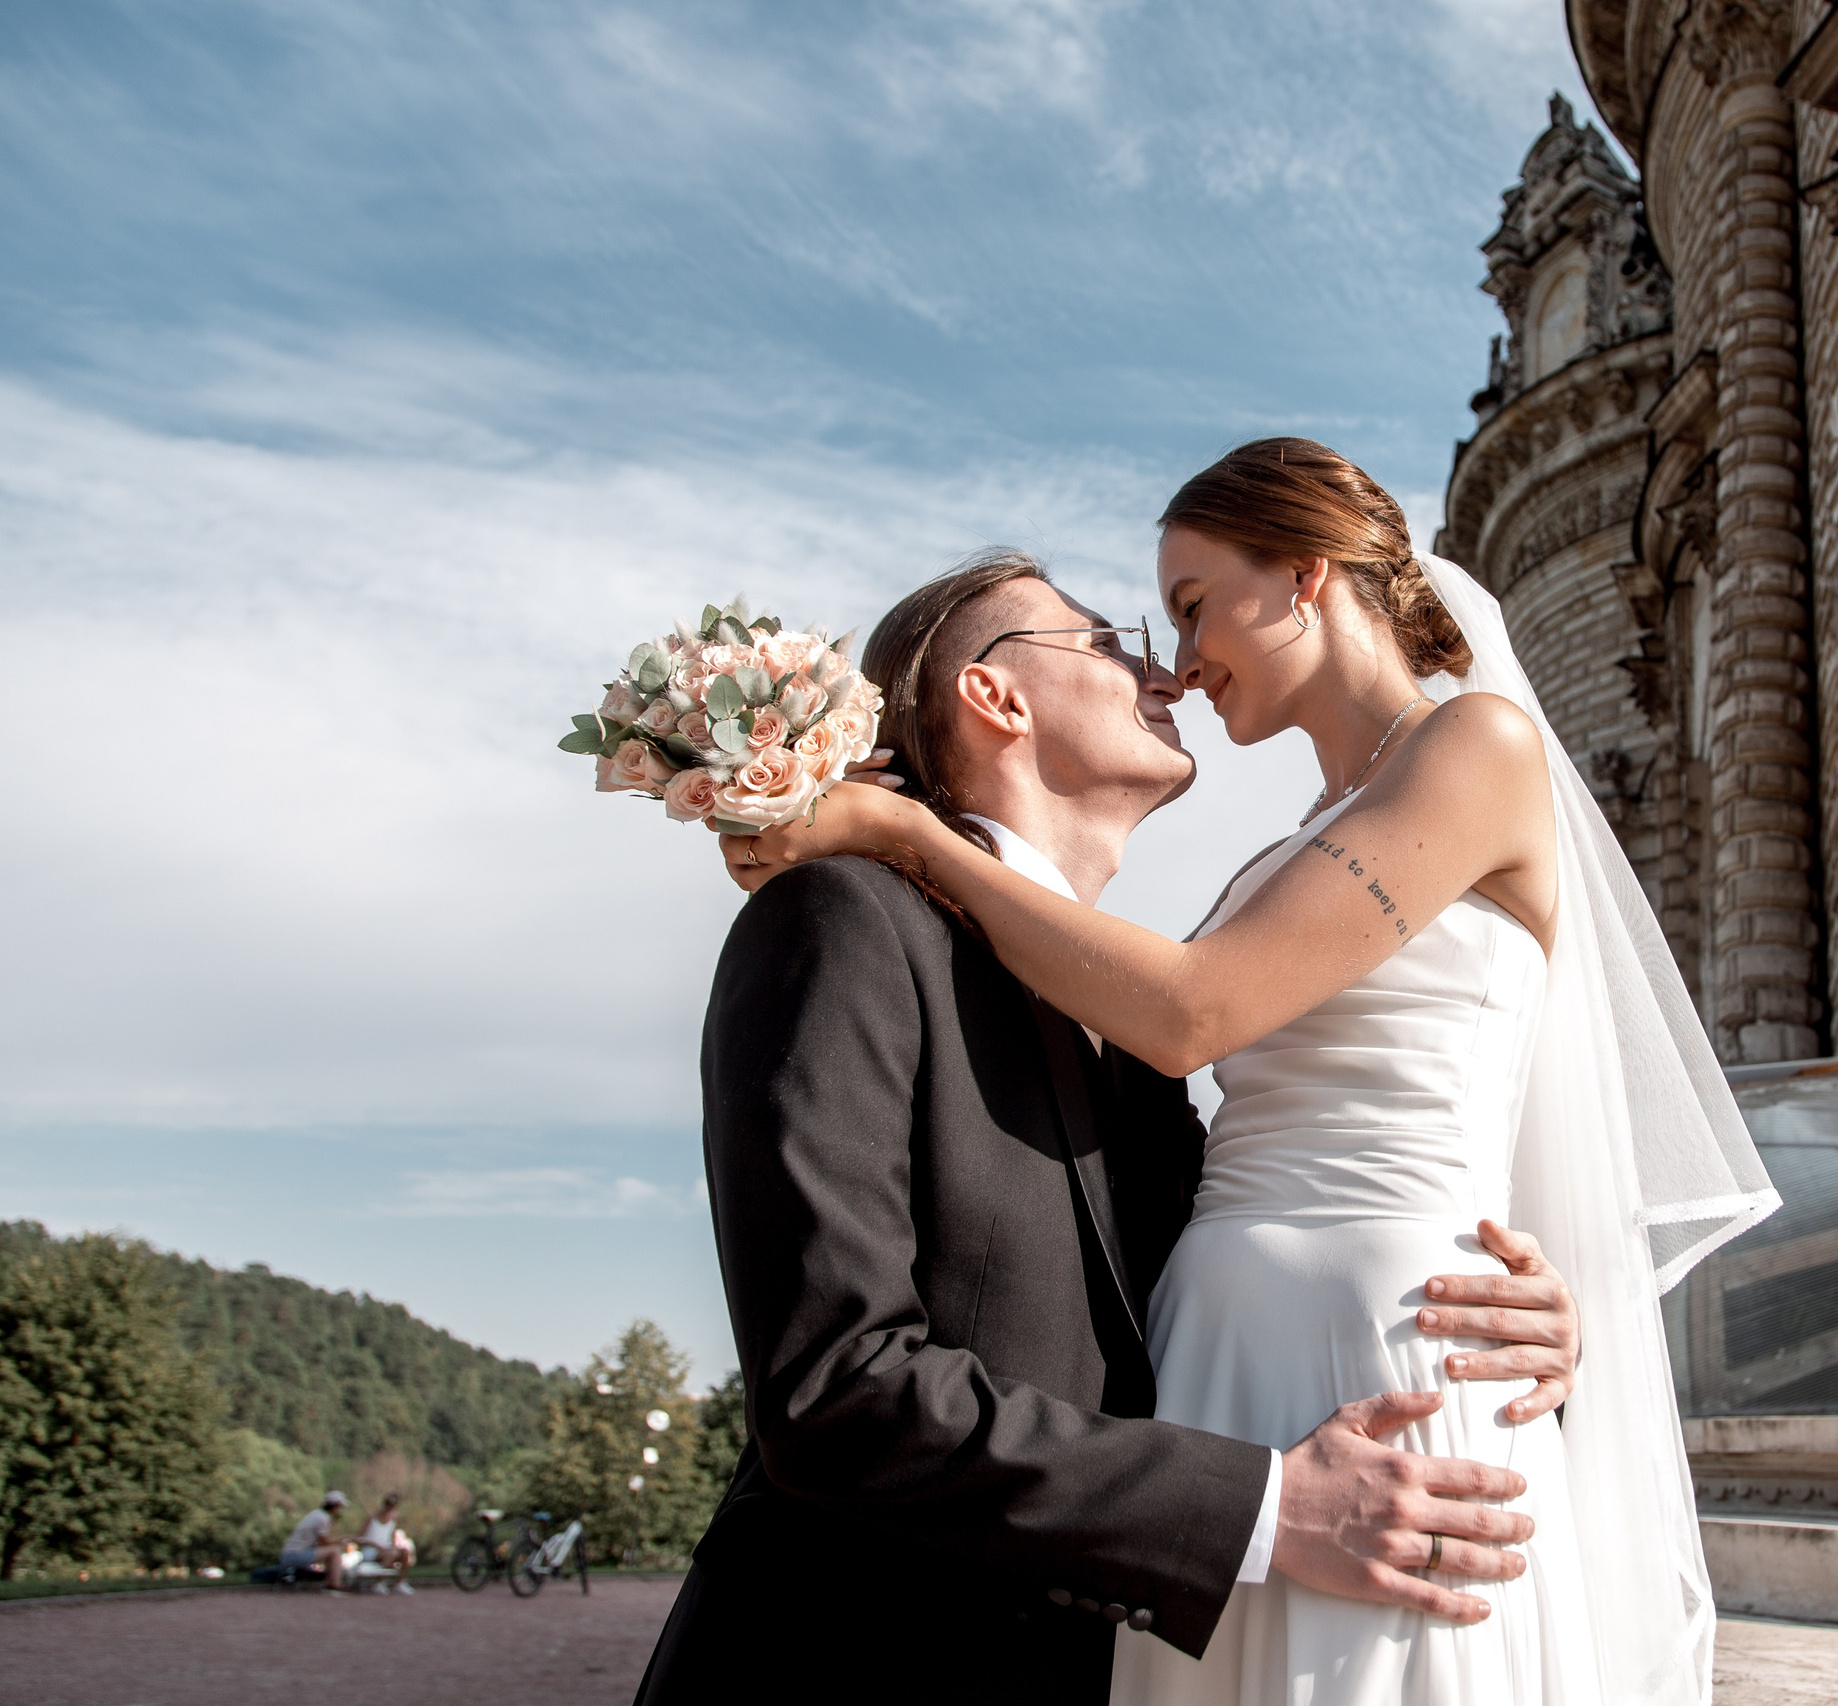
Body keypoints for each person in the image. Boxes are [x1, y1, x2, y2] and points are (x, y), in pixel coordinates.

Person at [728, 439, 1777, 1705]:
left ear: (1301, 576)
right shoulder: (1268, 866)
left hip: (1374, 1337)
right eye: (1135, 631)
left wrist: (1559, 1300)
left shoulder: (1476, 745)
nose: (1172, 661)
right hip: (1220, 1386)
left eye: (1186, 605)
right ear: (992, 699)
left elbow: (1197, 1013)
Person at [634, 550, 1590, 1705]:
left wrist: (1514, 1307)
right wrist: (1267, 1504)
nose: (1166, 667)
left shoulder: (1127, 1038)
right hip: (865, 1662)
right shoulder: (843, 920)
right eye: (1109, 638)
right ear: (996, 695)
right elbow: (838, 1389)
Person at [280, 1491, 349, 1592]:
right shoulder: (322, 1518)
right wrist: (343, 1539)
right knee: (335, 1551)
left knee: (331, 1551)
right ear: (335, 1506)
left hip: (290, 1553)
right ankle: (334, 1584)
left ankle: (330, 1582)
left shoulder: (317, 1514)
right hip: (295, 1554)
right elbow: (325, 1540)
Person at [355, 1493, 414, 1595]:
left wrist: (394, 1546)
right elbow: (360, 1538)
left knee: (404, 1552)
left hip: (386, 1549)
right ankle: (380, 1583)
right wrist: (375, 1545)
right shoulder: (371, 1517)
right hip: (371, 1550)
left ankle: (400, 1582)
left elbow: (391, 1537)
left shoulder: (393, 1519)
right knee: (390, 1554)